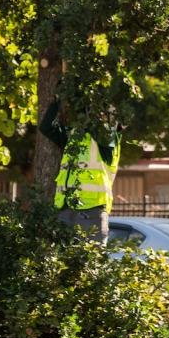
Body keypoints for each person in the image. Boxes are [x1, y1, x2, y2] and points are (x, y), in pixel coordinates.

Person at [41, 97, 121, 243]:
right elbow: (46, 127)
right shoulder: (74, 139)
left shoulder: (107, 142)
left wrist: (91, 101)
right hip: (64, 209)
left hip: (92, 212)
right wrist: (58, 99)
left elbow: (100, 129)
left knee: (90, 262)